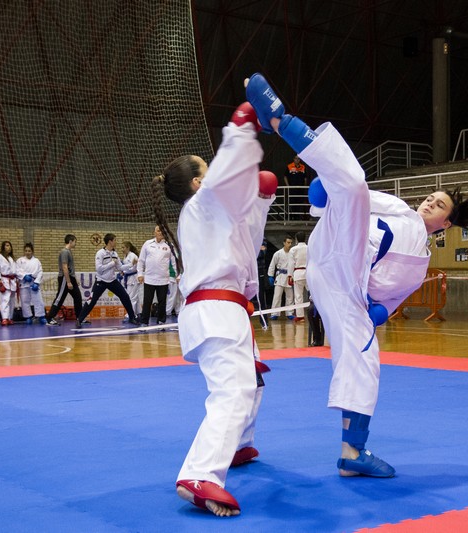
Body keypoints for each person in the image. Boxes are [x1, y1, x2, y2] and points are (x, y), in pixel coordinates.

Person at [246, 72, 468, 478]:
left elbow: (389, 299)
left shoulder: (422, 262)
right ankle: (278, 119)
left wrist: (379, 311)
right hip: (339, 245)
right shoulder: (398, 208)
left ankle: (352, 453)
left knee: (365, 357)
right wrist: (325, 190)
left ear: (446, 223)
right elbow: (350, 198)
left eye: (439, 203)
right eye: (431, 196)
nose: (430, 201)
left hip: (346, 286)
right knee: (354, 183)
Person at [151, 102, 275, 516]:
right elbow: (225, 179)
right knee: (231, 391)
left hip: (227, 309)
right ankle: (200, 474)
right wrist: (241, 129)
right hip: (216, 309)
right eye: (206, 170)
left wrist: (261, 199)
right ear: (197, 183)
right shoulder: (201, 205)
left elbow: (246, 240)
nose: (213, 175)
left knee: (247, 385)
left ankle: (236, 445)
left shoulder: (212, 214)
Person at [75, 233, 139, 328]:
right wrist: (112, 263)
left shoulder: (115, 254)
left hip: (112, 281)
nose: (116, 242)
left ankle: (132, 317)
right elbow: (99, 269)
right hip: (101, 281)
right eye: (115, 240)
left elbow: (120, 267)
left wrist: (131, 265)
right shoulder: (100, 253)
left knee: (125, 296)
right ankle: (79, 319)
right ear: (110, 242)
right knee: (91, 300)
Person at [137, 225, 174, 325]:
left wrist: (178, 275)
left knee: (162, 302)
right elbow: (141, 260)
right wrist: (140, 274)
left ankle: (161, 321)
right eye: (158, 231)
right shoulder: (147, 244)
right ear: (154, 232)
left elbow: (174, 262)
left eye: (162, 231)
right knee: (147, 301)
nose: (160, 232)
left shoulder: (169, 245)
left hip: (163, 279)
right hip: (149, 278)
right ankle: (144, 322)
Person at [45, 234, 82, 326]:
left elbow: (70, 268)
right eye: (75, 242)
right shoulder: (65, 252)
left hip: (70, 277)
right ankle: (49, 318)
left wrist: (74, 278)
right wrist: (68, 281)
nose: (75, 244)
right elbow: (64, 267)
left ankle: (80, 318)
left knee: (78, 297)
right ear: (70, 241)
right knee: (59, 298)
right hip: (65, 279)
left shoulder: (68, 252)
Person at [16, 243, 47, 325]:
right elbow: (17, 271)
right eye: (26, 251)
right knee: (25, 301)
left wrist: (36, 282)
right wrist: (24, 276)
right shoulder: (20, 261)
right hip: (24, 283)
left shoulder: (36, 261)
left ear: (32, 251)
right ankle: (28, 317)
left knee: (38, 300)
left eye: (29, 251)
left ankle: (41, 317)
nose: (27, 252)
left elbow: (40, 272)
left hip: (34, 283)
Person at [267, 236, 294, 320]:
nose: (289, 244)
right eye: (288, 242)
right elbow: (272, 265)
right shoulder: (278, 253)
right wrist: (270, 275)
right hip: (280, 276)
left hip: (289, 276)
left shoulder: (292, 253)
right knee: (277, 296)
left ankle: (289, 312)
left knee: (290, 296)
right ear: (284, 243)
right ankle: (275, 313)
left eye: (290, 243)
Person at [0, 241, 17, 325]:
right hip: (4, 280)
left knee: (12, 301)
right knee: (4, 300)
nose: (9, 247)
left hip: (12, 281)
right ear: (3, 247)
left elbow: (15, 270)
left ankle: (10, 318)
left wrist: (16, 279)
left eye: (10, 245)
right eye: (7, 246)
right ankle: (4, 318)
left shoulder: (12, 258)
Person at [288, 231, 308, 323]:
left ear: (296, 239)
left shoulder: (293, 249)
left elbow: (291, 263)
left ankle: (300, 316)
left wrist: (289, 275)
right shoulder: (309, 248)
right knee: (313, 295)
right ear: (305, 238)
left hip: (298, 273)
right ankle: (317, 313)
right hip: (308, 273)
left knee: (298, 296)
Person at [119, 241, 141, 321]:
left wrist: (124, 271)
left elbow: (133, 268)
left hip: (133, 278)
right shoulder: (126, 256)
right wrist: (122, 271)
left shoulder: (133, 256)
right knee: (135, 297)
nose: (122, 249)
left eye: (123, 247)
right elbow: (125, 267)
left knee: (132, 297)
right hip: (129, 278)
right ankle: (139, 313)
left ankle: (130, 315)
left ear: (128, 248)